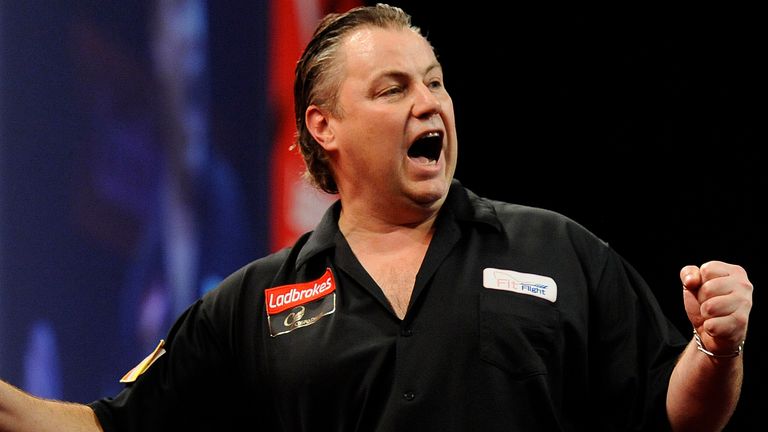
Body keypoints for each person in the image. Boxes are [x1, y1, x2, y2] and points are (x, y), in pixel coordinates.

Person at [0, 4, 753, 431]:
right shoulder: (256, 304)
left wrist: (717, 348)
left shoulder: (557, 251)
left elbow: (680, 416)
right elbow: (104, 431)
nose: (428, 103)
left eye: (434, 82)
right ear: (324, 126)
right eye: (393, 89)